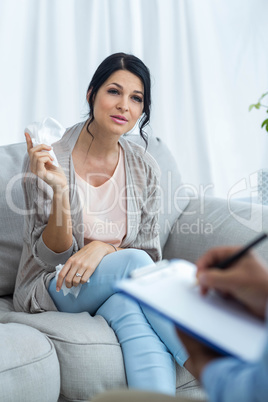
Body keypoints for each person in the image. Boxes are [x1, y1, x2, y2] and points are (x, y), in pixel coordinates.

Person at [13, 53, 189, 395]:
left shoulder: (144, 167)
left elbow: (148, 256)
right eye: (114, 91)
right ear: (92, 94)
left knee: (133, 314)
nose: (124, 105)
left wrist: (104, 247)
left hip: (116, 286)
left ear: (142, 111)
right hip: (53, 285)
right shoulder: (51, 155)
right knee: (134, 266)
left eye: (136, 98)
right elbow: (50, 259)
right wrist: (61, 190)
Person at [91, 246, 268, 402]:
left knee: (126, 306)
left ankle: (194, 361)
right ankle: (193, 360)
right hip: (76, 280)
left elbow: (152, 251)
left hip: (120, 292)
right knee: (138, 261)